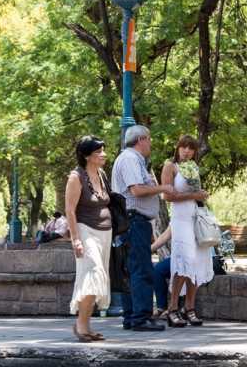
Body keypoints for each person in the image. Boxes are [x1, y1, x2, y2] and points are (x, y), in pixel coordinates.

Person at [111, 125, 173, 331]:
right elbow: (137, 190)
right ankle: (141, 318)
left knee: (132, 269)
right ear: (141, 139)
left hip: (132, 222)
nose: (151, 144)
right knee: (141, 269)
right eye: (149, 139)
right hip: (134, 221)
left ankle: (132, 316)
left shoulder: (133, 159)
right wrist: (162, 187)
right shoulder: (130, 159)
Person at [160, 135, 212, 327]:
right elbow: (167, 195)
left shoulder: (194, 167)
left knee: (198, 264)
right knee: (183, 263)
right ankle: (172, 308)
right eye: (184, 147)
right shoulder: (170, 166)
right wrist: (193, 194)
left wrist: (201, 196)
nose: (187, 151)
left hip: (195, 219)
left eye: (191, 148)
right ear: (178, 147)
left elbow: (194, 195)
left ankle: (189, 308)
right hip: (180, 220)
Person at [65, 136, 113, 342]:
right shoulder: (76, 177)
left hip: (105, 232)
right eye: (98, 152)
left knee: (97, 278)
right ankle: (80, 325)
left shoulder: (101, 173)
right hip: (86, 231)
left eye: (103, 150)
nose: (103, 154)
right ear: (86, 156)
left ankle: (85, 325)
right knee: (93, 274)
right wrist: (75, 239)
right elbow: (70, 210)